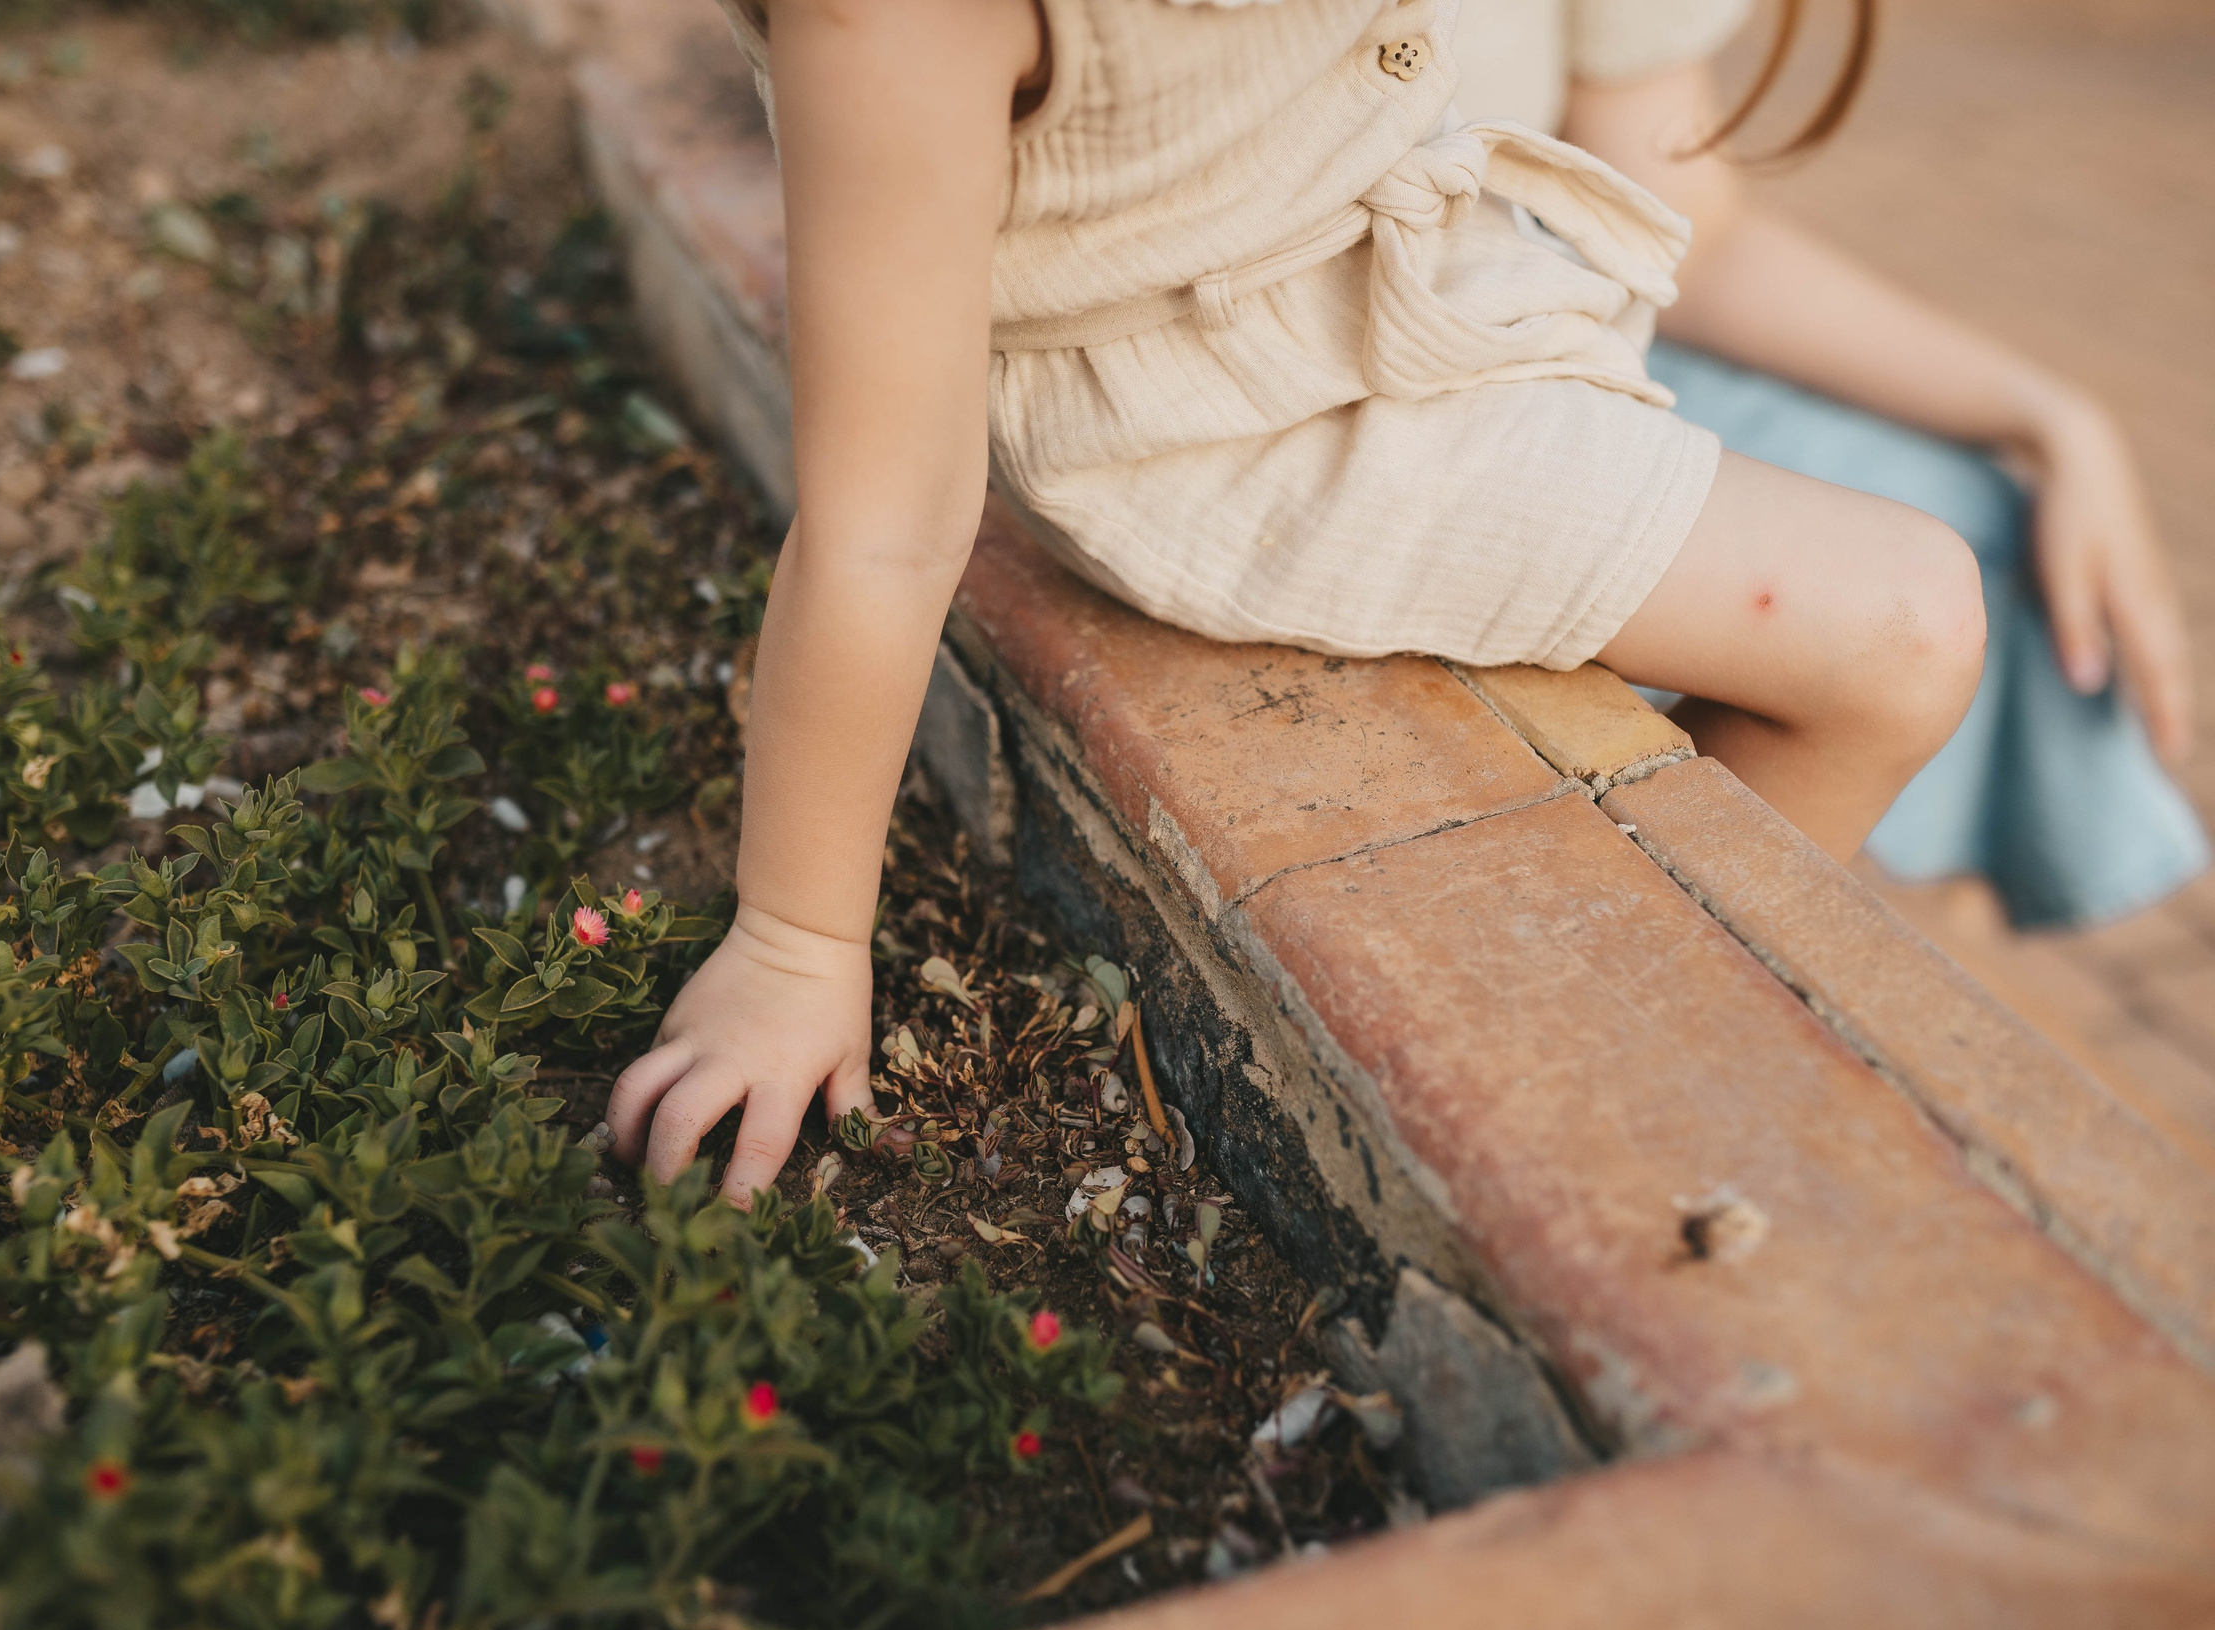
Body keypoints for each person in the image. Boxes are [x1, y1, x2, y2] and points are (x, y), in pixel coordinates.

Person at [610, 0, 2000, 1207]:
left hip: (1392, 288)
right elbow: (884, 524)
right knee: (1904, 623)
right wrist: (796, 941)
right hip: (1220, 428)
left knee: (1925, 573)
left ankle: (1642, 1041)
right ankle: (1639, 1096)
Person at [1452, 0, 2203, 932]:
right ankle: (1644, 979)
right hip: (1399, 362)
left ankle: (1891, 910)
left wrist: (2056, 420)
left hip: (1551, 308)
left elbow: (1691, 229)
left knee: (1981, 518)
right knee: (1897, 616)